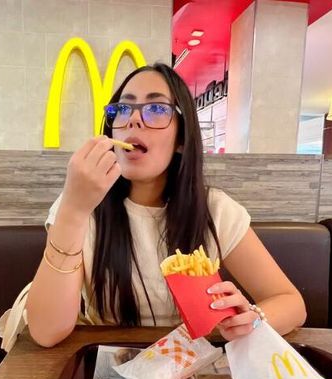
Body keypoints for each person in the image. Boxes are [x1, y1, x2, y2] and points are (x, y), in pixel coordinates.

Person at [25, 63, 306, 347]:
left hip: (192, 365)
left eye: (157, 109)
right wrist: (73, 210)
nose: (133, 120)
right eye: (123, 109)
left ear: (182, 139)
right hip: (108, 364)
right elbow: (46, 332)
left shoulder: (214, 209)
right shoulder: (82, 203)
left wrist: (251, 318)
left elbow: (292, 303)